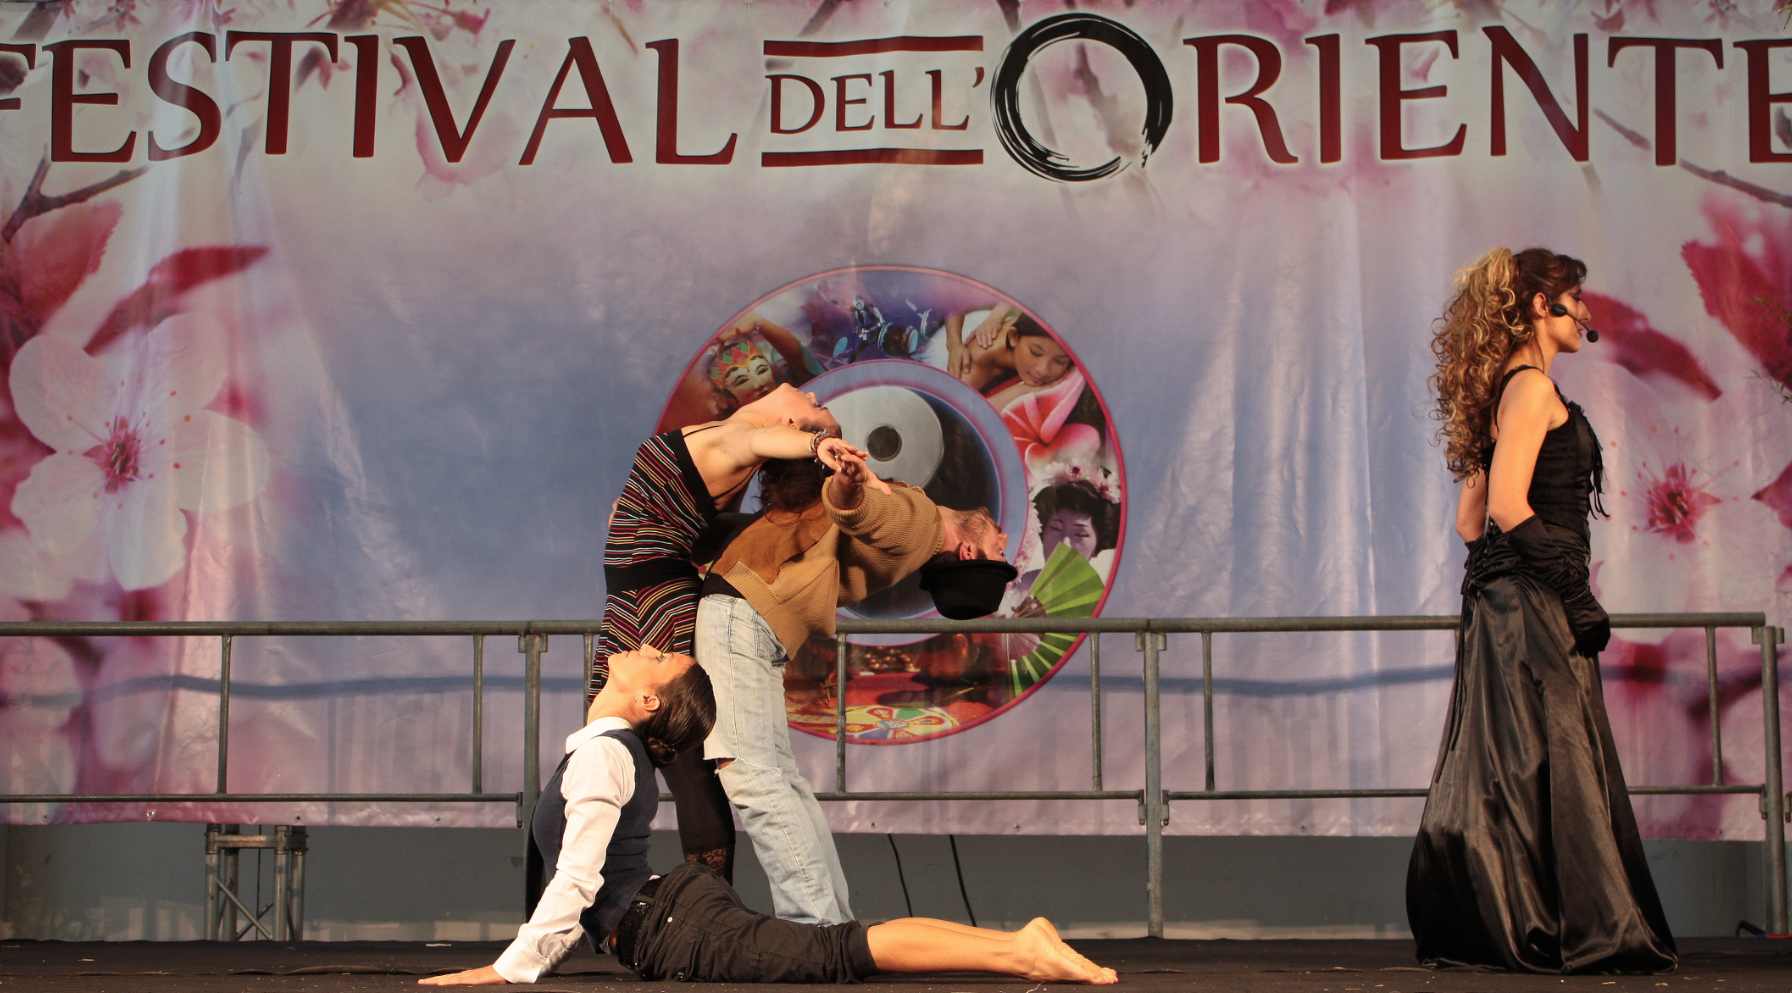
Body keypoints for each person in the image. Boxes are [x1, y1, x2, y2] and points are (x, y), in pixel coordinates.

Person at [418, 646, 1118, 987]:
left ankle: (1017, 951)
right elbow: (583, 885)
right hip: (671, 914)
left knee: (836, 952)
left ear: (647, 700)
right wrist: (531, 961)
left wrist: (509, 969)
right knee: (833, 947)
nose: (644, 646)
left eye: (657, 656)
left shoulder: (604, 755)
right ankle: (1016, 944)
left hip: (675, 926)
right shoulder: (603, 751)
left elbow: (576, 877)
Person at [1406, 247, 1677, 973]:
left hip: (1510, 602)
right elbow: (1502, 507)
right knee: (1555, 753)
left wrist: (1510, 585)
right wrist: (1571, 590)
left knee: (1521, 760)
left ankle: (1519, 918)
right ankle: (1573, 924)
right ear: (1540, 306)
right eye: (1575, 298)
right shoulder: (1527, 390)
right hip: (1531, 601)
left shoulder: (1506, 390)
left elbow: (1469, 524)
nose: (1584, 312)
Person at [697, 454, 1007, 925]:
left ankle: (815, 925)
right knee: (780, 781)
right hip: (758, 619)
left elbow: (861, 511)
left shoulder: (919, 525)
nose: (1004, 542)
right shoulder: (919, 521)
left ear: (968, 553)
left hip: (742, 615)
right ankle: (830, 924)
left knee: (753, 777)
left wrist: (848, 485)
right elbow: (809, 522)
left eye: (998, 551)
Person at [584, 383, 861, 888]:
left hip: (652, 604)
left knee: (673, 759)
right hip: (637, 596)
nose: (813, 394)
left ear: (791, 428)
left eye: (816, 410)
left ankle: (709, 901)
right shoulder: (730, 435)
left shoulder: (741, 440)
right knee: (616, 752)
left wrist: (816, 445)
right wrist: (632, 514)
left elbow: (759, 442)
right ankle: (649, 896)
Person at [941, 304, 1076, 407]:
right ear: (1013, 337)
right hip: (955, 342)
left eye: (1060, 361)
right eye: (1035, 352)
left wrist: (996, 316)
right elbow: (964, 414)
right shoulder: (977, 359)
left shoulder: (1042, 341)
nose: (1043, 370)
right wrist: (1020, 391)